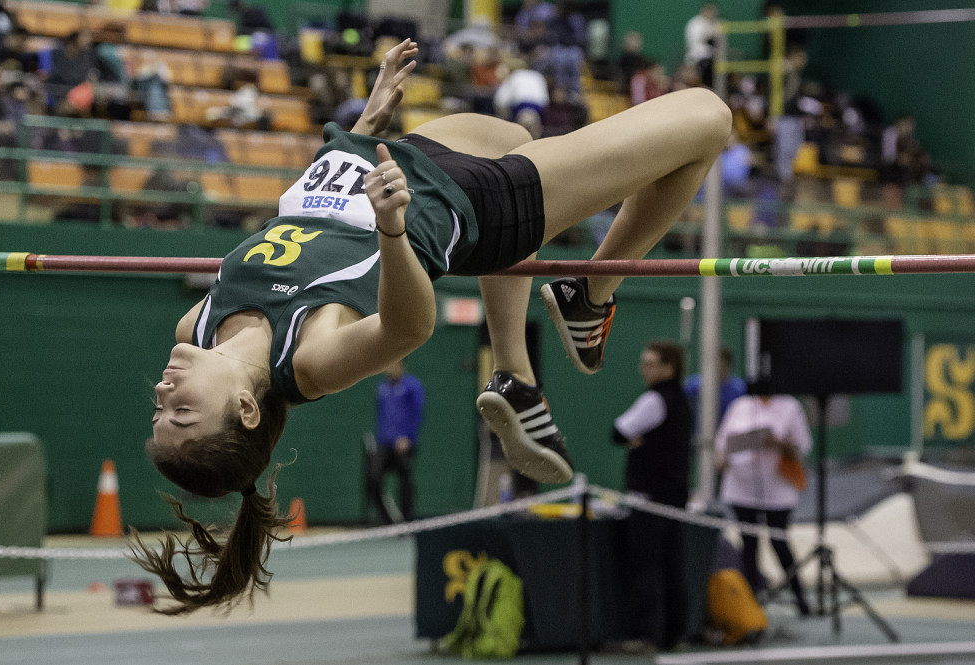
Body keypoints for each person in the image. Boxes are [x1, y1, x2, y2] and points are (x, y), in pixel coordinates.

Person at [132, 38, 732, 615]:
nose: (164, 397)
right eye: (182, 414)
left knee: (513, 134)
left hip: (394, 159)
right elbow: (408, 328)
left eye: (159, 413)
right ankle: (593, 292)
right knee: (708, 118)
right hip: (471, 201)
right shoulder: (309, 360)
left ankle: (516, 376)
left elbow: (308, 219)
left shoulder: (198, 323)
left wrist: (363, 126)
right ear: (246, 408)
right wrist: (393, 230)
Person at [612, 341, 692, 650]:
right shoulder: (681, 400)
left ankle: (646, 633)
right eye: (643, 364)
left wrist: (637, 438)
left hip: (651, 497)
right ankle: (674, 632)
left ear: (668, 368)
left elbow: (619, 430)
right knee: (672, 565)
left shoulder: (654, 400)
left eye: (651, 364)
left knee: (648, 566)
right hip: (673, 495)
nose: (645, 370)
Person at [714, 393, 812, 616]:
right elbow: (722, 445)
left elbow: (803, 447)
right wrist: (725, 456)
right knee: (749, 544)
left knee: (780, 543)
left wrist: (779, 443)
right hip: (742, 487)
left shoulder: (790, 406)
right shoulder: (740, 405)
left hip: (777, 489)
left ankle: (800, 597)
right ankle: (752, 601)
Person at [369, 359, 424, 523]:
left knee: (405, 482)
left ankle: (407, 522)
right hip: (384, 442)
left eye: (394, 364)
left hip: (404, 443)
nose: (390, 367)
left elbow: (417, 414)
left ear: (401, 366)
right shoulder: (382, 388)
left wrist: (408, 438)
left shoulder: (413, 386)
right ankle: (386, 520)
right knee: (374, 478)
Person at [683, 347, 746, 429]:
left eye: (721, 363)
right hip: (699, 436)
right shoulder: (693, 385)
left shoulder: (739, 388)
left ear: (728, 364)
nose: (717, 367)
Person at [684, 3, 721, 87]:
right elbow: (695, 45)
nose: (712, 15)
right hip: (697, 57)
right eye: (710, 12)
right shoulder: (695, 24)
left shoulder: (714, 23)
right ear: (704, 11)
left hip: (712, 58)